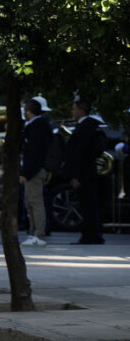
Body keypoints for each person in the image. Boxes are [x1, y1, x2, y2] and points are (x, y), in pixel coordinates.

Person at [62, 99, 106, 245]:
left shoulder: (86, 127)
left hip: (84, 174)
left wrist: (76, 176)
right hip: (87, 172)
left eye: (74, 109)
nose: (72, 111)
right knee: (88, 205)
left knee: (88, 205)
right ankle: (92, 234)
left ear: (81, 111)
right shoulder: (87, 126)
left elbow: (81, 153)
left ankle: (90, 235)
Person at [20, 96, 52, 247]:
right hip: (32, 170)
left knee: (35, 203)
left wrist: (25, 173)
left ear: (28, 111)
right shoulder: (34, 125)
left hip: (34, 171)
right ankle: (33, 232)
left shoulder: (37, 126)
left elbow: (34, 153)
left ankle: (38, 233)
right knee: (30, 204)